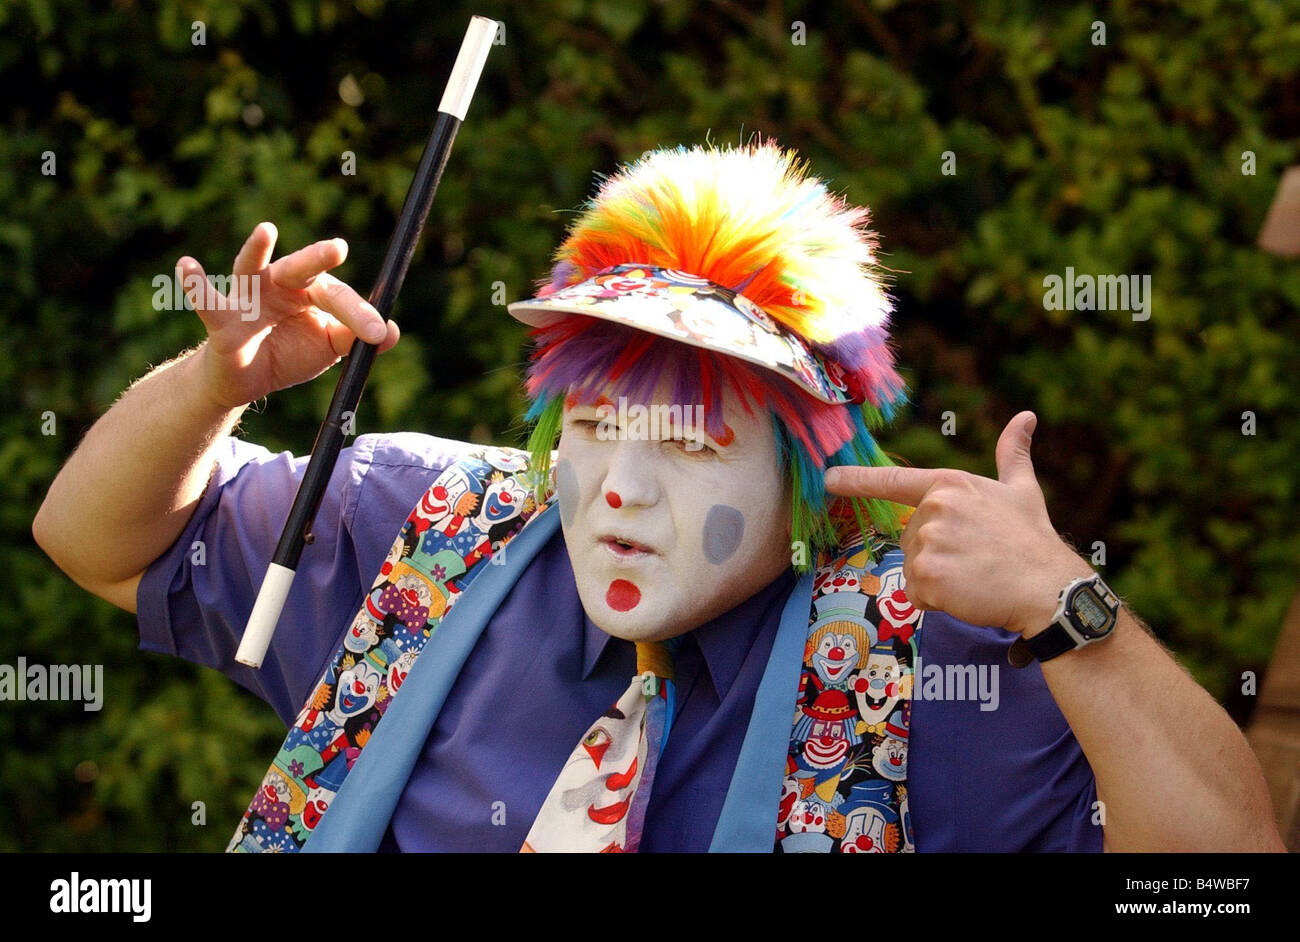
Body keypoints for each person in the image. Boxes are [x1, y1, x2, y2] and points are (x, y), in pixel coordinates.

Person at [34, 141, 1283, 853]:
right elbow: (89, 542)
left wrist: (1074, 612)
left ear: (803, 476)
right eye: (589, 427)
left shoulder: (939, 667)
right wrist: (213, 384)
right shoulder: (421, 523)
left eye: (687, 447)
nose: (618, 493)